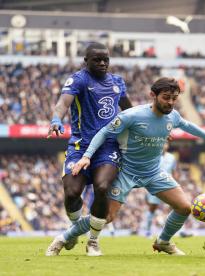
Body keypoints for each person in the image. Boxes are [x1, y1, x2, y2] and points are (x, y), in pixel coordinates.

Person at [46, 77, 205, 256]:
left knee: (184, 208)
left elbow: (189, 127)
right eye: (166, 98)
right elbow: (104, 132)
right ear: (153, 95)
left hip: (153, 172)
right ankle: (63, 238)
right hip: (126, 172)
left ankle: (163, 242)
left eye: (174, 99)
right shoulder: (132, 116)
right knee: (106, 217)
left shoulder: (173, 117)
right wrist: (87, 156)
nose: (170, 102)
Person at [46, 42, 132, 256]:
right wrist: (57, 119)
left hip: (108, 147)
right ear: (86, 61)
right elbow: (63, 103)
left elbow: (130, 111)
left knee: (102, 188)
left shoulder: (117, 82)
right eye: (97, 59)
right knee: (72, 192)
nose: (103, 63)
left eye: (106, 59)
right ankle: (75, 231)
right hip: (79, 145)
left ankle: (93, 241)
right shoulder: (79, 79)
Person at [144, 143, 192, 238]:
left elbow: (174, 171)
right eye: (162, 144)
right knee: (152, 208)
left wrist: (176, 182)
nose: (164, 146)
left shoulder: (172, 157)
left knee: (178, 207)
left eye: (165, 144)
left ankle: (181, 231)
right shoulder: (152, 156)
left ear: (168, 146)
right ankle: (148, 231)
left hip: (168, 185)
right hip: (155, 185)